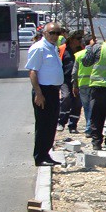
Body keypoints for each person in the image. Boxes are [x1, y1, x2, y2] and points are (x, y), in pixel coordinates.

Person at [24, 23, 65, 166]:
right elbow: (32, 72)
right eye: (52, 33)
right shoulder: (39, 48)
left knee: (51, 123)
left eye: (57, 33)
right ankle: (39, 156)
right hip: (43, 91)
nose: (55, 36)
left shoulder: (52, 48)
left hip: (53, 91)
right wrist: (38, 93)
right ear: (45, 33)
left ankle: (46, 153)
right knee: (43, 124)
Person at [60, 29, 86, 134]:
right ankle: (61, 121)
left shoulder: (82, 50)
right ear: (71, 40)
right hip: (65, 79)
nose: (80, 40)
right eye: (78, 38)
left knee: (77, 102)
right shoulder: (62, 49)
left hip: (78, 80)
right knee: (66, 97)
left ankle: (73, 125)